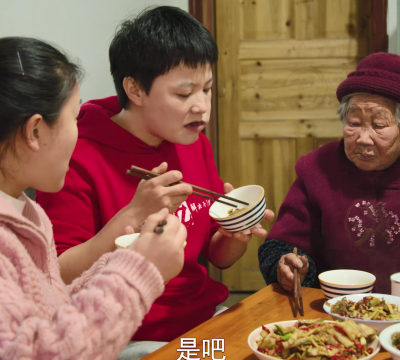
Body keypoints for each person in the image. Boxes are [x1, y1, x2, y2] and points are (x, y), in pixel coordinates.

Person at [36, 5, 274, 348]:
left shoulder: (194, 143)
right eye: (183, 93)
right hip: (130, 333)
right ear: (135, 90)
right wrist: (134, 214)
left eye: (206, 89)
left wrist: (235, 233)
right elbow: (58, 274)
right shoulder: (76, 158)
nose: (202, 106)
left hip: (200, 317)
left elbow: (216, 255)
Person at [0, 36, 186, 359]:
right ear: (34, 132)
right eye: (74, 117)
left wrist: (125, 259)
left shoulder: (28, 211)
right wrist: (140, 269)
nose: (199, 105)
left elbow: (55, 306)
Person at [258, 52, 400, 295]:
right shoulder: (318, 168)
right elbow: (282, 244)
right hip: (331, 312)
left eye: (378, 126)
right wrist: (290, 265)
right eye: (353, 123)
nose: (363, 139)